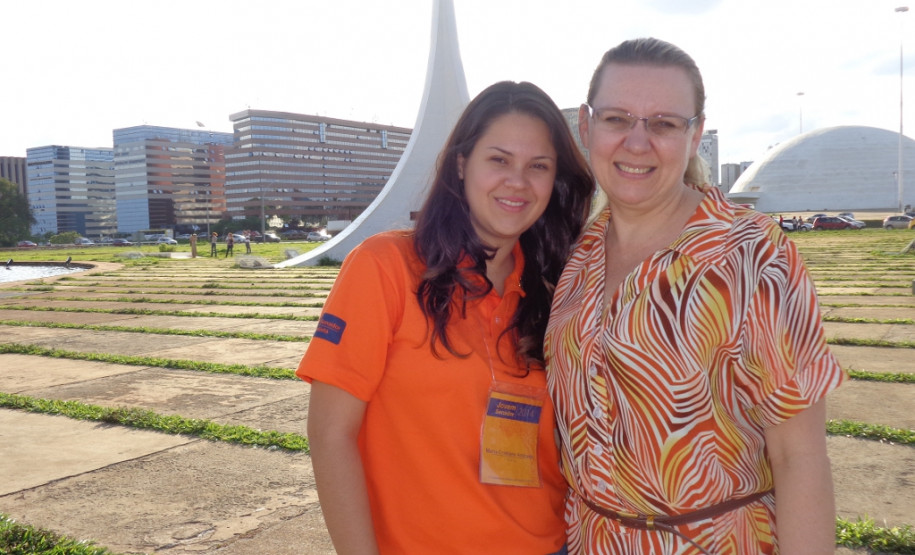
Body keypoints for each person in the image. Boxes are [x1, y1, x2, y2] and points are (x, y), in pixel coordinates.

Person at [544, 38, 847, 555]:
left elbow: (799, 459)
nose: (637, 142)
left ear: (695, 135)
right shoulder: (577, 255)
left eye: (663, 124)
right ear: (587, 126)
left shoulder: (751, 254)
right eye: (617, 119)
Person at [297, 80, 595, 554]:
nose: (518, 182)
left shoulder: (558, 289)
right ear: (461, 164)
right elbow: (331, 435)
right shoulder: (386, 267)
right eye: (499, 160)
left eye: (538, 166)